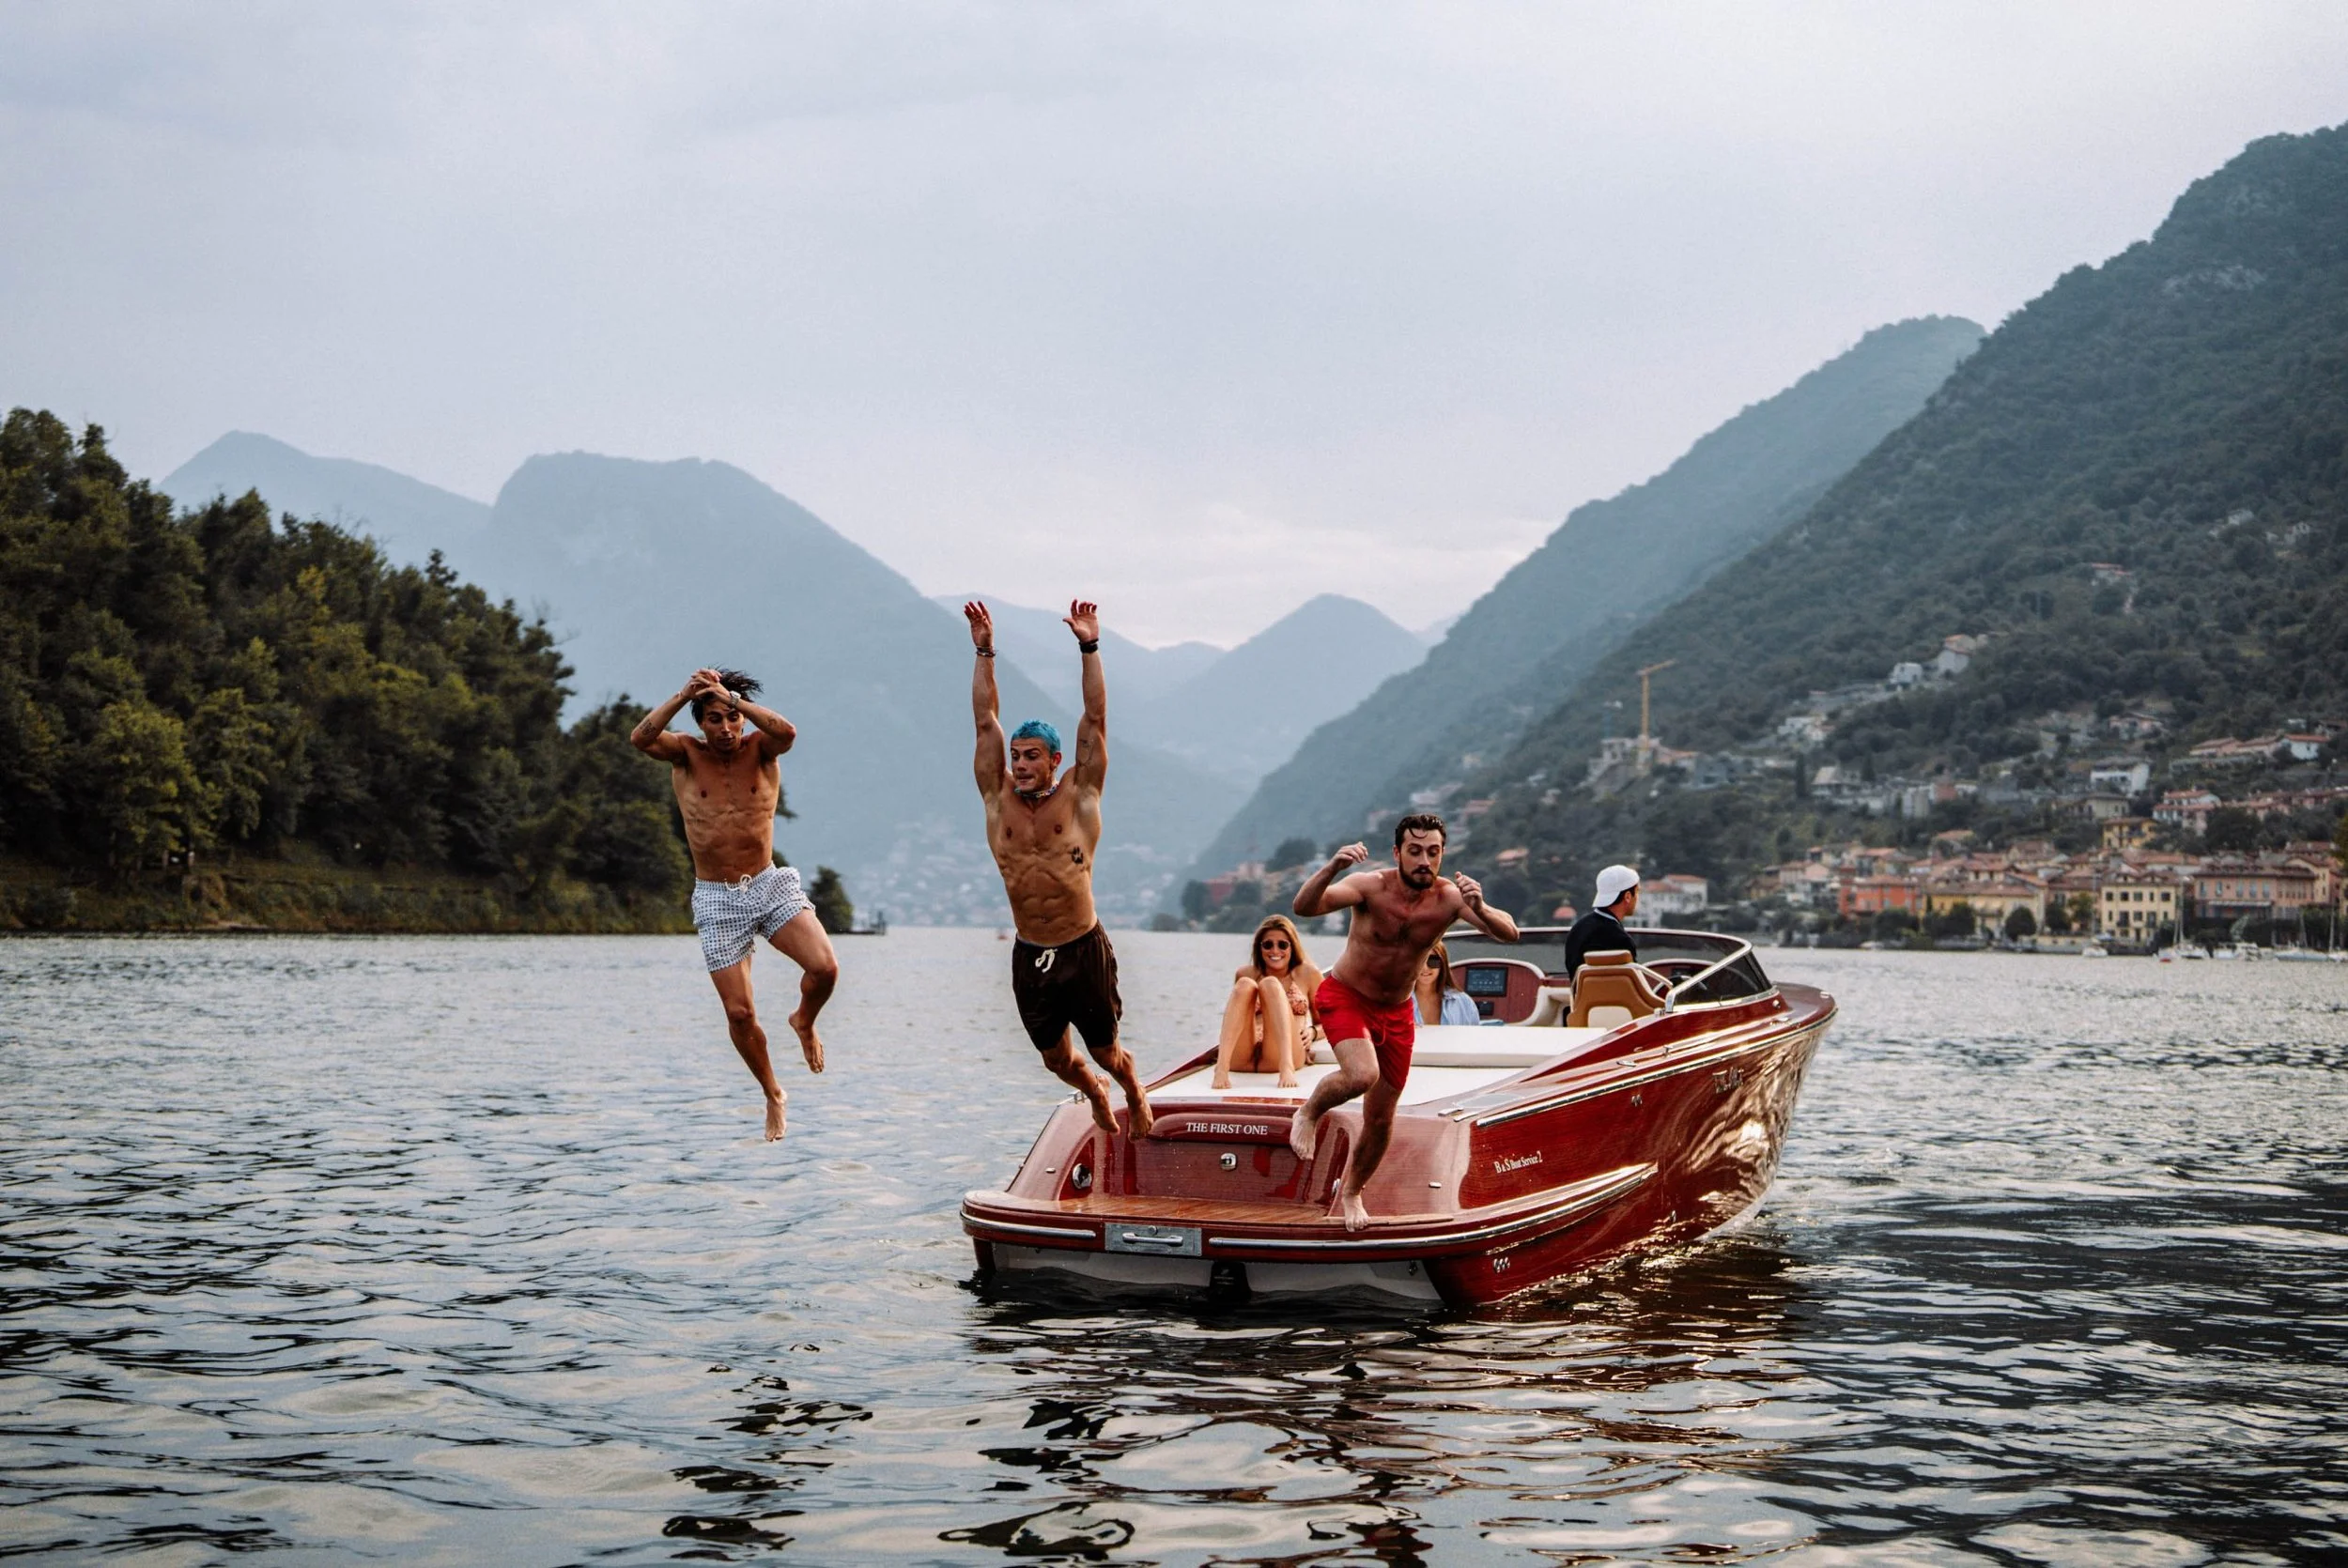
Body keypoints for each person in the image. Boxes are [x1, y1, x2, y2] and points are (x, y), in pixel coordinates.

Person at [965, 599, 1154, 1138]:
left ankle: (1131, 1087)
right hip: (1031, 953)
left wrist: (1089, 645)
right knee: (1055, 1059)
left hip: (1082, 947)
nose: (1020, 764)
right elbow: (984, 720)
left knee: (1107, 1052)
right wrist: (985, 651)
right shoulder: (997, 800)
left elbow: (1095, 719)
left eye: (1031, 756)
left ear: (1055, 761)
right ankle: (1093, 1091)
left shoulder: (1079, 796)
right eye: (1016, 756)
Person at [631, 668, 838, 1141]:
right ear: (700, 723)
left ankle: (804, 1022)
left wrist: (734, 699)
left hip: (766, 883)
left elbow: (788, 732)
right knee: (740, 1013)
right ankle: (773, 1093)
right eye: (714, 720)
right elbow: (641, 738)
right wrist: (684, 693)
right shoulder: (685, 754)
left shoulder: (762, 749)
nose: (725, 729)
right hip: (716, 897)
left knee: (825, 969)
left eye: (731, 719)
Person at [1290, 813, 1520, 1230]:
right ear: (1397, 853)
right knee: (1362, 1075)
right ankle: (1309, 1111)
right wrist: (1333, 867)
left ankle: (1353, 1192)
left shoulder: (1450, 899)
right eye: (1415, 851)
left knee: (1381, 1117)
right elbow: (1304, 907)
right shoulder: (1369, 887)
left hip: (1396, 1012)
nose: (1424, 861)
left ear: (1443, 854)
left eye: (1433, 852)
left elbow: (1510, 934)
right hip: (1347, 996)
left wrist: (1481, 906)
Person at [1213, 915, 1323, 1088]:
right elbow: (1238, 1017)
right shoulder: (1245, 973)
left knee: (1270, 984)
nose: (1275, 951)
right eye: (1268, 945)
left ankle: (1286, 1067)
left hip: (1281, 1055)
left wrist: (1313, 1032)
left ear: (1292, 946)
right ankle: (1221, 1068)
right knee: (1245, 984)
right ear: (1259, 947)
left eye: (1282, 945)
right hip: (1244, 1057)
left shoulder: (1308, 974)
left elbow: (1329, 1023)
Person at [1564, 864, 1641, 978]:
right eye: (1638, 892)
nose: (1638, 898)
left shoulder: (1577, 930)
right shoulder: (1622, 940)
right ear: (1628, 896)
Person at [1415, 940, 1481, 1026]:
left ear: (1442, 963)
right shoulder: (1399, 1003)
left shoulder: (1464, 1003)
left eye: (1432, 960)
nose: (1425, 968)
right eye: (1419, 960)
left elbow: (1474, 1033)